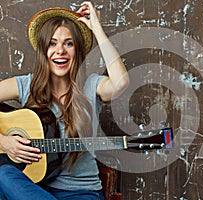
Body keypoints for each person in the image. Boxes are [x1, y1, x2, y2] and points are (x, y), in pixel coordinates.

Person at [0, 1, 129, 200]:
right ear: (44, 50)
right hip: (34, 187)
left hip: (81, 193)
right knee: (3, 174)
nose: (60, 51)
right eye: (52, 43)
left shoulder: (91, 85)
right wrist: (5, 141)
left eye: (68, 43)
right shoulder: (26, 85)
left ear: (77, 50)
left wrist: (97, 30)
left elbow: (121, 83)